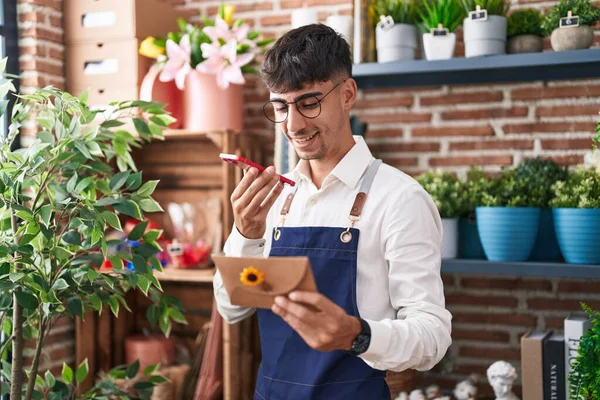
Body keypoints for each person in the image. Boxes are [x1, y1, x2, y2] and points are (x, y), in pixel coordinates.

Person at [213, 23, 452, 400]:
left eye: (308, 103)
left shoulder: (400, 199)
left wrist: (357, 335)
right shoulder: (273, 199)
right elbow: (231, 310)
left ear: (347, 94)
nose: (293, 124)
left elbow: (432, 337)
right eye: (280, 107)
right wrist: (247, 234)